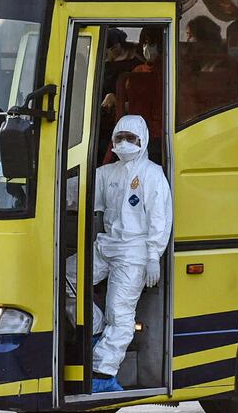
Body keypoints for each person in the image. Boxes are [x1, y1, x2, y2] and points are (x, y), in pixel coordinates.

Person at [66, 115, 172, 393]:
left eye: (131, 138)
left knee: (121, 313)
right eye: (119, 138)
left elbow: (160, 218)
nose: (124, 143)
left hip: (135, 252)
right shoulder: (107, 173)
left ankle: (101, 371)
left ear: (143, 140)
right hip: (106, 245)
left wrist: (153, 256)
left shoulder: (152, 174)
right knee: (64, 281)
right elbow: (75, 192)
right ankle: (95, 324)